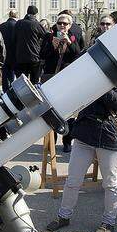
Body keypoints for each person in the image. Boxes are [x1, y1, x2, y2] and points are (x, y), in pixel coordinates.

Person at [46, 16, 117, 232]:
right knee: (73, 179)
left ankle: (108, 222)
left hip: (109, 133)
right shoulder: (91, 63)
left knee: (110, 183)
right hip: (85, 130)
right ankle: (64, 216)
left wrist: (101, 81)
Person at [39, 13, 82, 153]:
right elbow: (42, 55)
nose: (62, 26)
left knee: (68, 111)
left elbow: (78, 55)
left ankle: (67, 141)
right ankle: (51, 143)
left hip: (67, 78)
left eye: (65, 23)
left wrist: (69, 42)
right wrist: (52, 46)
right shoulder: (49, 36)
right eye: (60, 23)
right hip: (51, 77)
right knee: (50, 110)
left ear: (70, 25)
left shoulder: (74, 36)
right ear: (56, 24)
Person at [12, 5, 47, 84]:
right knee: (34, 82)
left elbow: (13, 39)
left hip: (20, 57)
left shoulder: (18, 23)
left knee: (22, 83)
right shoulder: (36, 24)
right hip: (34, 57)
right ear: (35, 14)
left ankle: (22, 96)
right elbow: (46, 36)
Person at [0, 10, 18, 92]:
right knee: (13, 74)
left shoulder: (1, 26)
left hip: (4, 54)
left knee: (5, 75)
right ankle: (13, 91)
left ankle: (6, 91)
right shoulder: (17, 25)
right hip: (14, 53)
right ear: (16, 16)